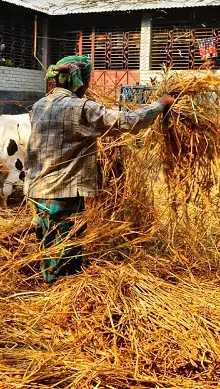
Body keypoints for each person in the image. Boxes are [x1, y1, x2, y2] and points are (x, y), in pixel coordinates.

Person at [25, 55, 175, 282]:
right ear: (79, 82)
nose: (87, 86)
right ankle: (61, 293)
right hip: (63, 193)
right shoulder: (81, 107)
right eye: (87, 81)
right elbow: (127, 121)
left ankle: (54, 284)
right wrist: (159, 105)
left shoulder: (39, 105)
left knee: (47, 245)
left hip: (36, 191)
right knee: (64, 250)